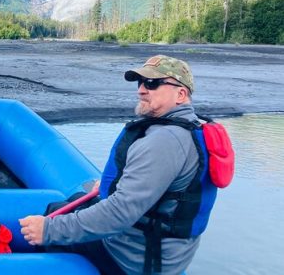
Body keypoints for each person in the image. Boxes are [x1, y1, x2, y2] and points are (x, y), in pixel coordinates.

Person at [20, 55, 218, 274]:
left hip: (135, 259)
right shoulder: (190, 127)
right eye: (140, 82)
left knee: (53, 219)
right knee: (72, 203)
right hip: (164, 251)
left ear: (180, 94)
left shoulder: (165, 141)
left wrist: (48, 230)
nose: (141, 90)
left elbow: (120, 213)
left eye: (152, 83)